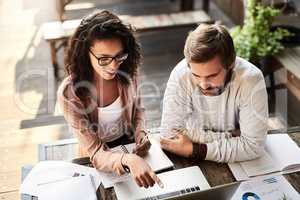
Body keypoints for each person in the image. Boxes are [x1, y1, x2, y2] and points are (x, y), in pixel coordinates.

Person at [57, 10, 162, 188]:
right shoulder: (70, 92)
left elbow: (138, 110)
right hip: (95, 156)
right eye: (103, 59)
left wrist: (141, 133)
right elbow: (96, 152)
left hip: (129, 145)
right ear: (85, 53)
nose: (114, 66)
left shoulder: (128, 70)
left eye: (119, 55)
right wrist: (127, 160)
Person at [160, 23, 269, 163]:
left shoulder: (251, 79)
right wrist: (233, 136)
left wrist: (195, 149)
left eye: (212, 75)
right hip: (199, 162)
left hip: (240, 163)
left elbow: (254, 147)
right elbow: (169, 136)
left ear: (230, 64)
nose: (203, 84)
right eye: (196, 75)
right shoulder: (181, 74)